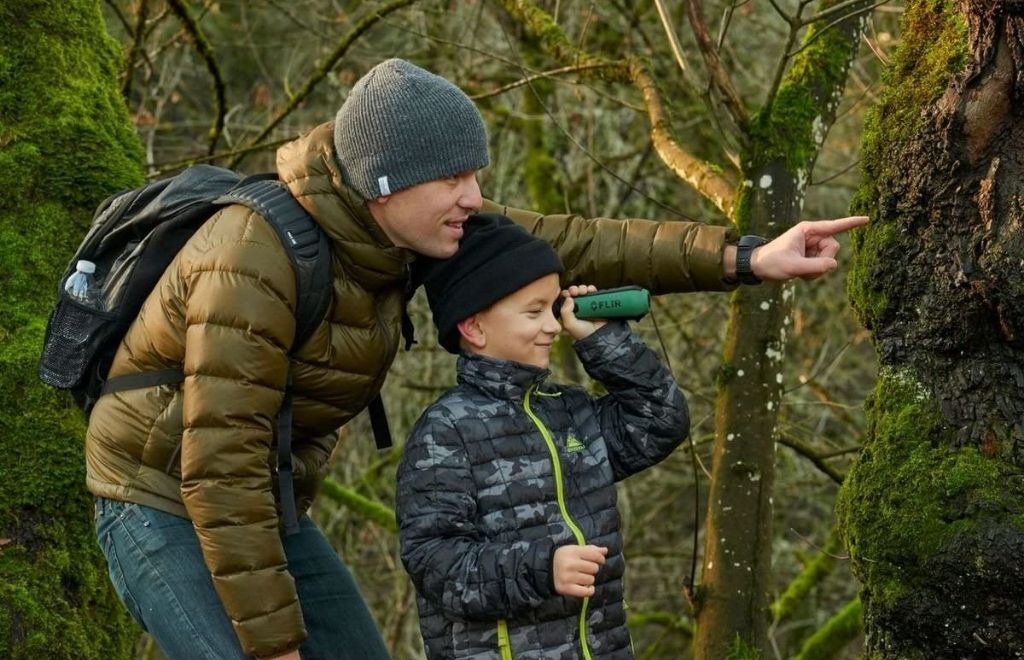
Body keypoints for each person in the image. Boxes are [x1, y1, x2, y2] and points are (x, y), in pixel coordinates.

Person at [85, 58, 866, 659]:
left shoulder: (413, 224)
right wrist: (273, 646)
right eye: (455, 177)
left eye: (477, 174)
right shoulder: (254, 257)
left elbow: (577, 242)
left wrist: (750, 257)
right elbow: (217, 459)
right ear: (383, 185)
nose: (474, 194)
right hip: (160, 494)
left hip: (262, 498)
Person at [396, 212, 688, 659]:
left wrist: (604, 341)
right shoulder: (446, 430)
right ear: (473, 327)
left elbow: (660, 419)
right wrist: (541, 568)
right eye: (534, 312)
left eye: (553, 308)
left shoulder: (568, 410)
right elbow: (436, 565)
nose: (553, 326)